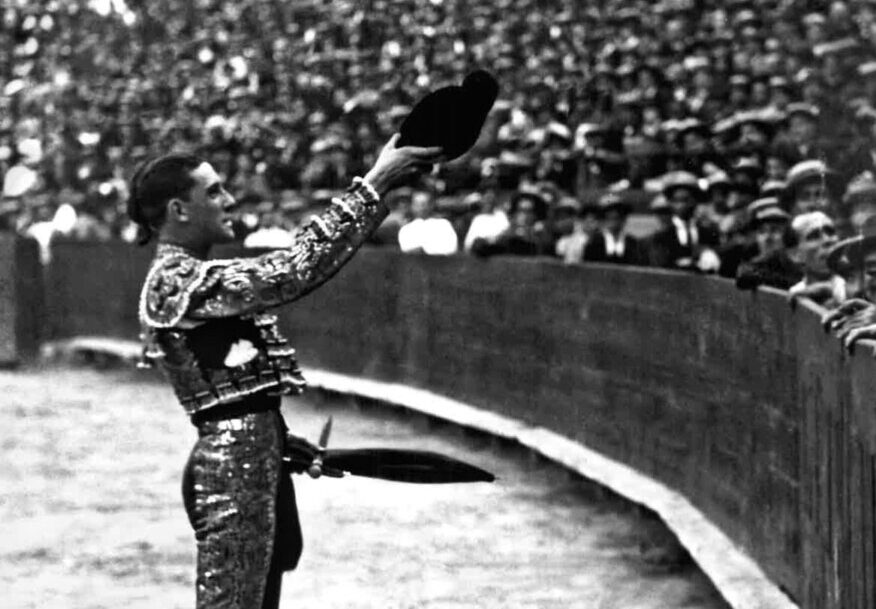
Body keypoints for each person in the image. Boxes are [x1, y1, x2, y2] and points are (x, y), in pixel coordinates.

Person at [130, 134, 442, 609]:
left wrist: (273, 435)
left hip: (252, 455)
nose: (229, 199)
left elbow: (229, 392)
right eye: (212, 191)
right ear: (179, 210)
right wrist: (376, 182)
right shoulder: (175, 279)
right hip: (231, 467)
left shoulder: (190, 275)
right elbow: (293, 270)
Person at [583, 193, 646, 265]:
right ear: (603, 218)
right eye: (609, 215)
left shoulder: (634, 244)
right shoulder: (593, 243)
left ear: (623, 218)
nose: (614, 215)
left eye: (618, 215)